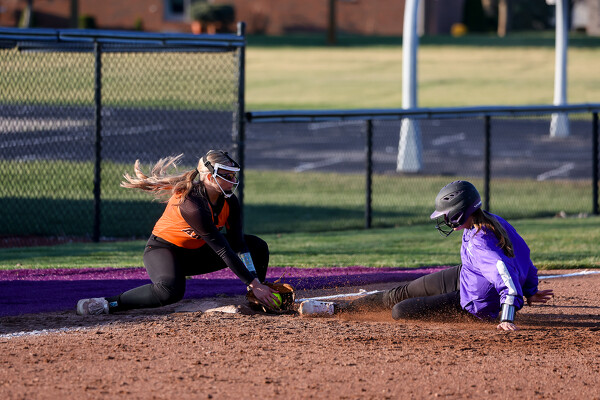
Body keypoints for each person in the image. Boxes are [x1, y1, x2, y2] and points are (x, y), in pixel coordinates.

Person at [300, 180, 553, 331]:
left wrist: (507, 315)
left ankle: (341, 309)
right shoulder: (490, 220)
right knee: (401, 292)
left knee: (400, 310)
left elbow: (505, 275)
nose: (444, 219)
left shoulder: (481, 243)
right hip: (468, 276)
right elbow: (525, 258)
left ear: (459, 213)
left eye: (446, 214)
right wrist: (531, 290)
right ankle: (337, 309)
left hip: (474, 304)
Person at [76, 150, 279, 315]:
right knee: (169, 292)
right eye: (228, 176)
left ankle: (259, 299)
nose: (233, 180)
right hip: (163, 250)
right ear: (210, 177)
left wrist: (255, 282)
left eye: (234, 175)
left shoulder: (229, 201)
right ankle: (108, 303)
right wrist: (252, 282)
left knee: (256, 246)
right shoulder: (192, 204)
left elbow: (238, 244)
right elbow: (223, 250)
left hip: (196, 252)